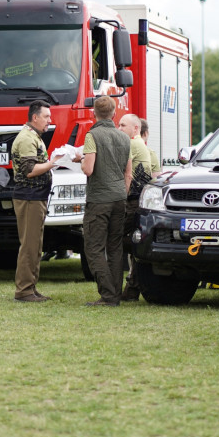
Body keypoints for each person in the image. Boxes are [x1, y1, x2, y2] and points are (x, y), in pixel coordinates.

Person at [81, 96, 132, 306]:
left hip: (99, 199)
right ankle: (116, 293)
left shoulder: (92, 135)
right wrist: (122, 193)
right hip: (119, 198)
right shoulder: (124, 138)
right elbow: (128, 174)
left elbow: (88, 169)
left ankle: (108, 295)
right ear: (113, 114)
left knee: (94, 247)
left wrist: (81, 158)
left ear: (94, 113)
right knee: (115, 248)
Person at [10, 100, 62, 303]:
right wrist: (53, 163)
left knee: (36, 245)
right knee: (30, 246)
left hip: (35, 196)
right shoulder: (26, 139)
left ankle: (30, 287)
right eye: (46, 116)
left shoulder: (33, 137)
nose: (50, 120)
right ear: (35, 117)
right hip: (29, 196)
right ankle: (23, 290)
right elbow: (29, 170)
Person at [118, 114, 153, 301]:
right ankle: (132, 288)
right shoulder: (141, 144)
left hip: (132, 201)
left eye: (123, 125)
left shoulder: (132, 144)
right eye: (118, 124)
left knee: (120, 241)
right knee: (133, 245)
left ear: (135, 128)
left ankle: (125, 287)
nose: (119, 128)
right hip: (138, 200)